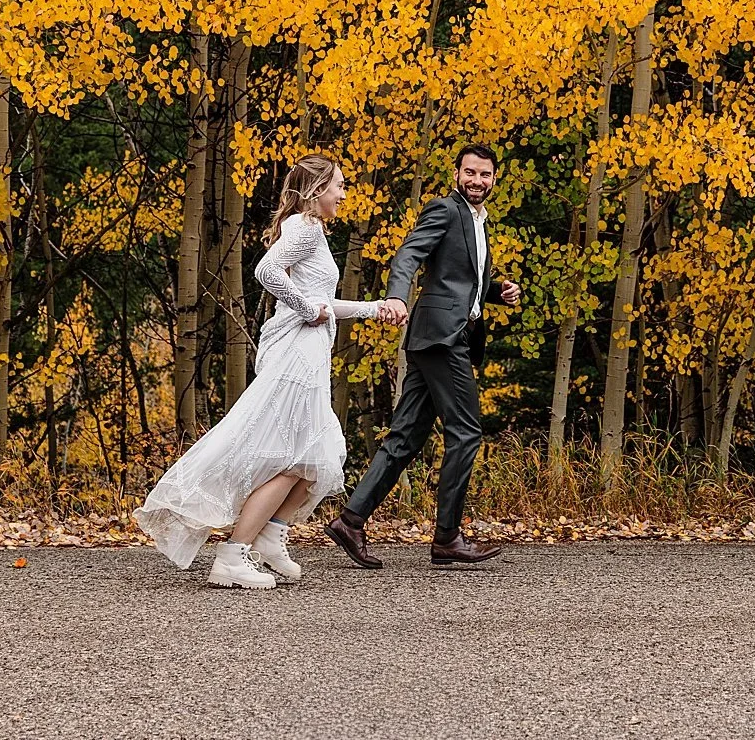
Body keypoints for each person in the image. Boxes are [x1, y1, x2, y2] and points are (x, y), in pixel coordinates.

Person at [134, 155, 406, 588]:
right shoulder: (304, 226)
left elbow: (322, 305)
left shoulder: (311, 231)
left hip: (309, 353)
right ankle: (233, 555)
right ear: (317, 190)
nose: (343, 193)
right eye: (338, 185)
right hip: (296, 358)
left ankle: (271, 534)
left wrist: (376, 310)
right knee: (293, 457)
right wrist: (305, 307)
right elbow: (267, 272)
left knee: (321, 453)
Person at [325, 143, 521, 568]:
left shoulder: (478, 221)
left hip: (445, 335)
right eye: (470, 173)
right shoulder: (445, 209)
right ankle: (448, 536)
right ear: (456, 175)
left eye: (485, 175)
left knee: (406, 436)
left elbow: (459, 279)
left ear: (494, 179)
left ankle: (351, 519)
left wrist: (496, 291)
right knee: (466, 432)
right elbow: (409, 254)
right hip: (441, 338)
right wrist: (396, 296)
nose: (477, 181)